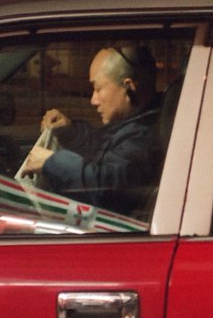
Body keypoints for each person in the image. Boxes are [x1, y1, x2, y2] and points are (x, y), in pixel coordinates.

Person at [22, 45, 160, 212]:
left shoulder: (147, 135)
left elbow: (105, 187)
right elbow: (105, 146)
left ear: (128, 86)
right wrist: (71, 131)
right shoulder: (137, 124)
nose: (93, 100)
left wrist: (51, 162)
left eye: (98, 88)